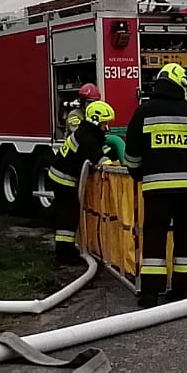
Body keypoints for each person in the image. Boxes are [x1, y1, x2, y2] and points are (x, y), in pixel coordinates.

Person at [124, 62, 187, 306]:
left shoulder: (144, 112)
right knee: (186, 237)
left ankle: (150, 293)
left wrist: (137, 172)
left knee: (154, 237)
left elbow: (132, 152)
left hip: (156, 189)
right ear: (180, 85)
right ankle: (182, 291)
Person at [48, 92, 114, 266]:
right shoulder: (87, 138)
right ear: (95, 121)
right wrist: (115, 165)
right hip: (63, 178)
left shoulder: (87, 133)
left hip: (62, 175)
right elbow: (100, 159)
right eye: (104, 123)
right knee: (68, 216)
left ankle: (67, 250)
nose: (106, 127)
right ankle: (64, 255)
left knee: (68, 214)